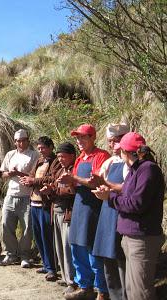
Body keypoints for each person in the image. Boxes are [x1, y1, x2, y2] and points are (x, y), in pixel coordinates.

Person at [93, 132, 165, 300]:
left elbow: (136, 204)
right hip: (132, 237)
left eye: (120, 150)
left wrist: (108, 197)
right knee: (132, 289)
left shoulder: (147, 169)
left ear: (126, 152)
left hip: (142, 238)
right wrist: (107, 189)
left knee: (141, 291)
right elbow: (126, 191)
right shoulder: (138, 169)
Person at [58, 124, 110, 300]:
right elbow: (75, 187)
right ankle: (84, 286)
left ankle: (101, 290)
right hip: (79, 205)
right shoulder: (80, 158)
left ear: (92, 137)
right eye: (77, 138)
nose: (79, 141)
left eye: (83, 137)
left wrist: (73, 178)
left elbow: (96, 183)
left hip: (94, 207)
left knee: (93, 249)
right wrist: (68, 183)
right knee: (77, 246)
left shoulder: (101, 156)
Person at [91, 123, 129, 300]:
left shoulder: (131, 164)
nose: (111, 145)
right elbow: (99, 181)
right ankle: (113, 294)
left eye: (115, 141)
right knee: (108, 255)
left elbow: (129, 189)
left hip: (121, 213)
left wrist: (107, 186)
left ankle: (125, 295)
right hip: (107, 212)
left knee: (120, 257)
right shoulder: (110, 162)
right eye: (109, 142)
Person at [20, 136, 61, 280]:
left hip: (45, 204)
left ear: (51, 147)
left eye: (43, 148)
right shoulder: (39, 161)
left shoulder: (56, 161)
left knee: (47, 236)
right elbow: (32, 175)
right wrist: (28, 180)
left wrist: (34, 181)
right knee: (38, 236)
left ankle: (52, 268)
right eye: (39, 148)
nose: (41, 150)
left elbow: (53, 178)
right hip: (34, 202)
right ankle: (45, 264)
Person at [41, 142, 77, 295]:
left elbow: (72, 190)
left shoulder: (74, 170)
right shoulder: (60, 169)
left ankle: (72, 280)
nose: (60, 159)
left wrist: (54, 190)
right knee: (59, 246)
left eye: (64, 156)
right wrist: (50, 190)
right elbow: (55, 186)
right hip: (55, 210)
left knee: (67, 247)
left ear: (72, 156)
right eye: (59, 156)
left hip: (67, 212)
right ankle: (64, 275)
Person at [0, 129, 38, 268]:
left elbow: (34, 176)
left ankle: (25, 255)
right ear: (15, 142)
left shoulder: (34, 155)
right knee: (6, 225)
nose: (20, 143)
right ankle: (11, 254)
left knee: (27, 228)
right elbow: (2, 173)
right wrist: (9, 173)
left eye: (23, 140)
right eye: (17, 141)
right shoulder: (10, 154)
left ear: (27, 140)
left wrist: (18, 173)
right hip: (10, 195)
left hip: (26, 196)